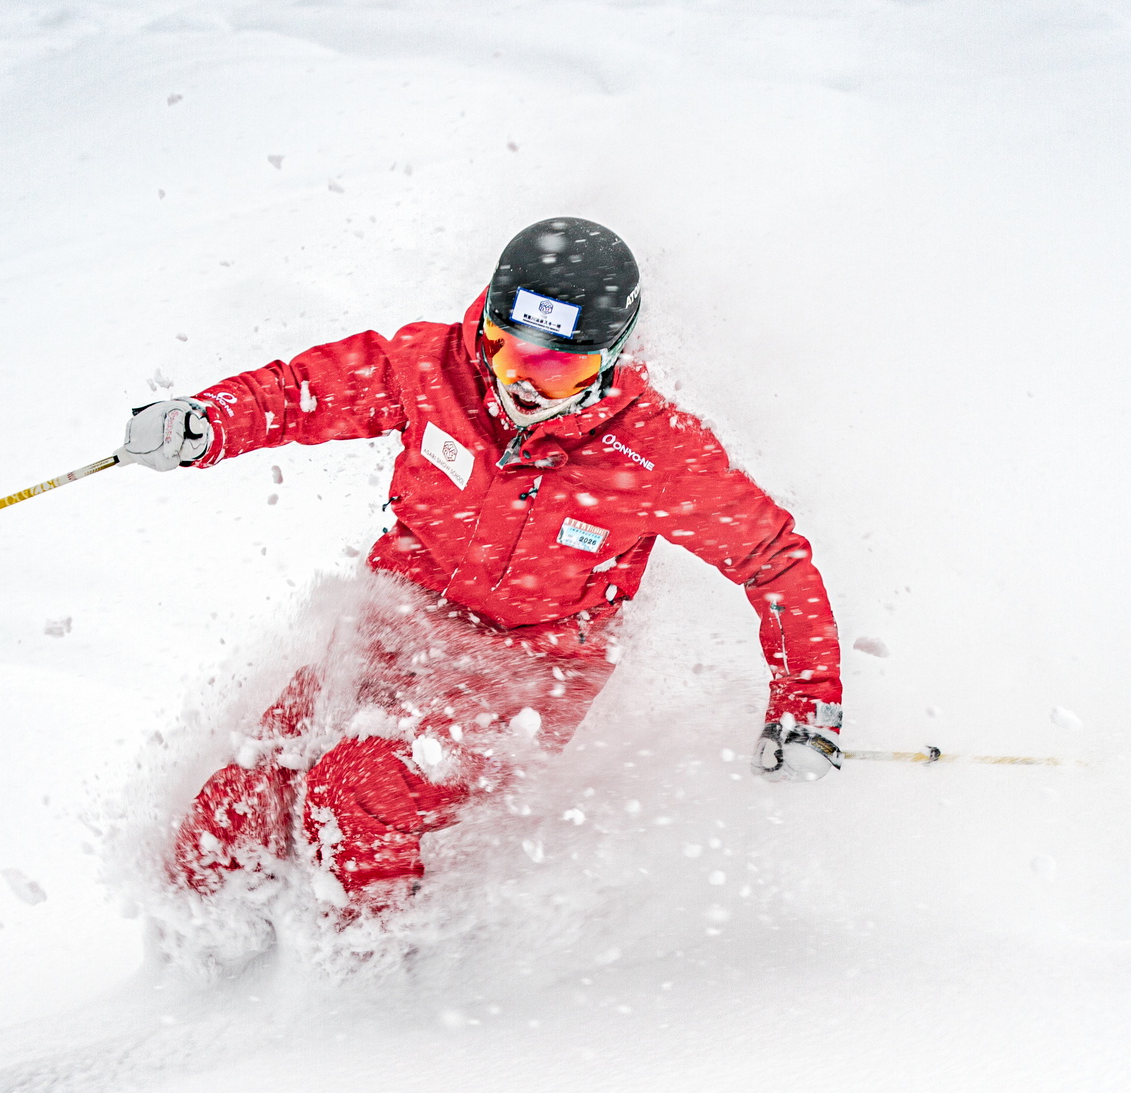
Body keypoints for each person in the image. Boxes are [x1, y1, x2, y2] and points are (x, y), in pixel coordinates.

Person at [122, 217, 842, 913]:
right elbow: (305, 392)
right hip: (395, 628)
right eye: (508, 350)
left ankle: (363, 968)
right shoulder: (436, 370)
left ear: (609, 357)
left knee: (356, 788)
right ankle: (197, 947)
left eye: (557, 368)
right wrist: (209, 419)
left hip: (525, 671)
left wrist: (807, 704)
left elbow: (773, 561)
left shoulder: (657, 453)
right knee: (248, 791)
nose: (521, 382)